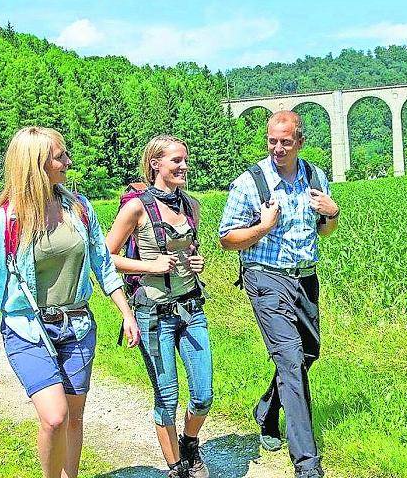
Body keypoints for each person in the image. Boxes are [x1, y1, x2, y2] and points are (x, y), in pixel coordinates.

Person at [0, 126, 140, 478]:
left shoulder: (79, 209)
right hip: (28, 330)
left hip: (77, 326)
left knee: (74, 417)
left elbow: (103, 264)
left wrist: (125, 311)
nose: (68, 161)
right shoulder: (6, 221)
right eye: (59, 156)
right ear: (35, 163)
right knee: (55, 417)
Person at [219, 110, 340, 478]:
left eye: (286, 141)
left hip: (305, 278)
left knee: (307, 353)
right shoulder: (250, 183)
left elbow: (324, 231)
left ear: (299, 142)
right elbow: (226, 238)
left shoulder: (315, 176)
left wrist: (333, 214)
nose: (277, 148)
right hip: (266, 279)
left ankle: (267, 412)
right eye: (272, 140)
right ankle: (307, 464)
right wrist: (262, 226)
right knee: (289, 360)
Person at [105, 135, 213, 478]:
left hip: (192, 310)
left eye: (185, 159)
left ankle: (190, 443)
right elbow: (105, 257)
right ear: (156, 165)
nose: (184, 166)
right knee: (166, 398)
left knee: (203, 395)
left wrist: (197, 262)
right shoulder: (136, 207)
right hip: (153, 314)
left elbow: (189, 251)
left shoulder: (191, 205)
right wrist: (149, 267)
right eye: (176, 161)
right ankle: (177, 468)